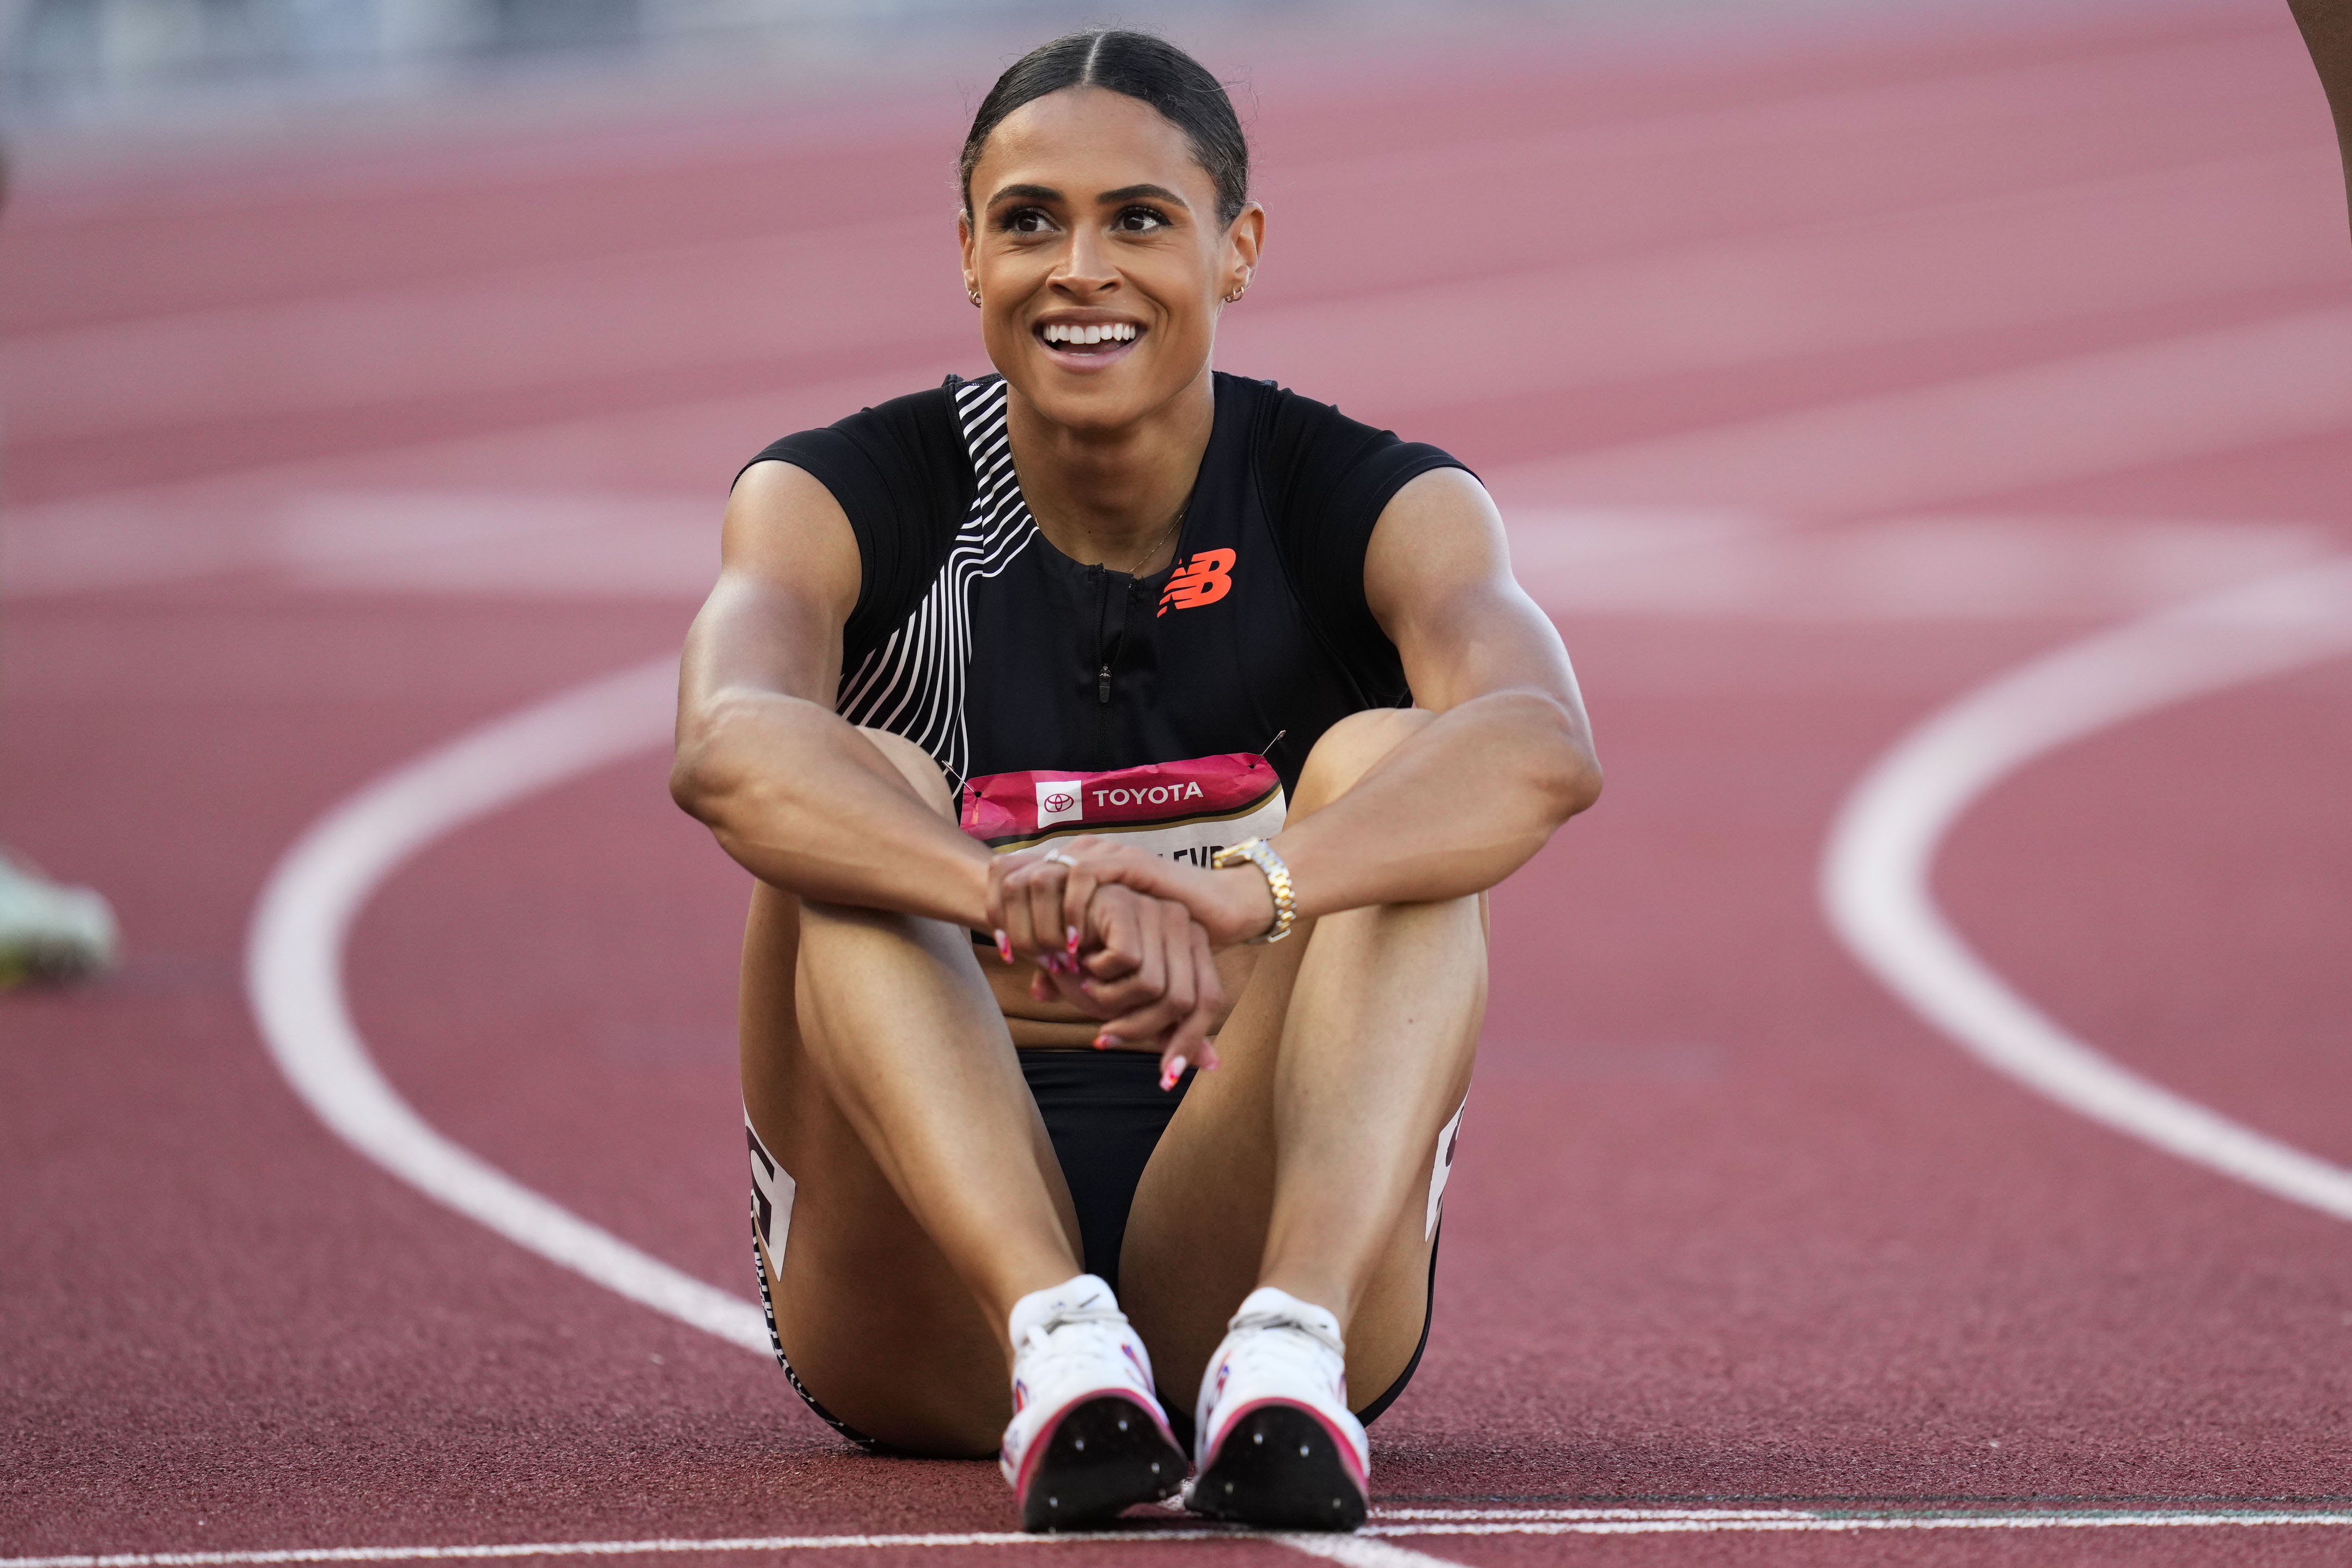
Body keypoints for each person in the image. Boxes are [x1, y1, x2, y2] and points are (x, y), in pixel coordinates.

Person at [671, 28, 1600, 1534]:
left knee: (1393, 774)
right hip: (922, 1298)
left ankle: (1291, 1344)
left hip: (1232, 1211)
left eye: (1140, 221)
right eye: (1030, 220)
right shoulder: (841, 494)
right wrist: (992, 890)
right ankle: (1058, 1336)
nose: (1079, 268)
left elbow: (1542, 743)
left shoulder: (1363, 499)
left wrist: (1250, 893)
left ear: (1237, 251)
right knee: (862, 783)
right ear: (967, 253)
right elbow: (728, 749)